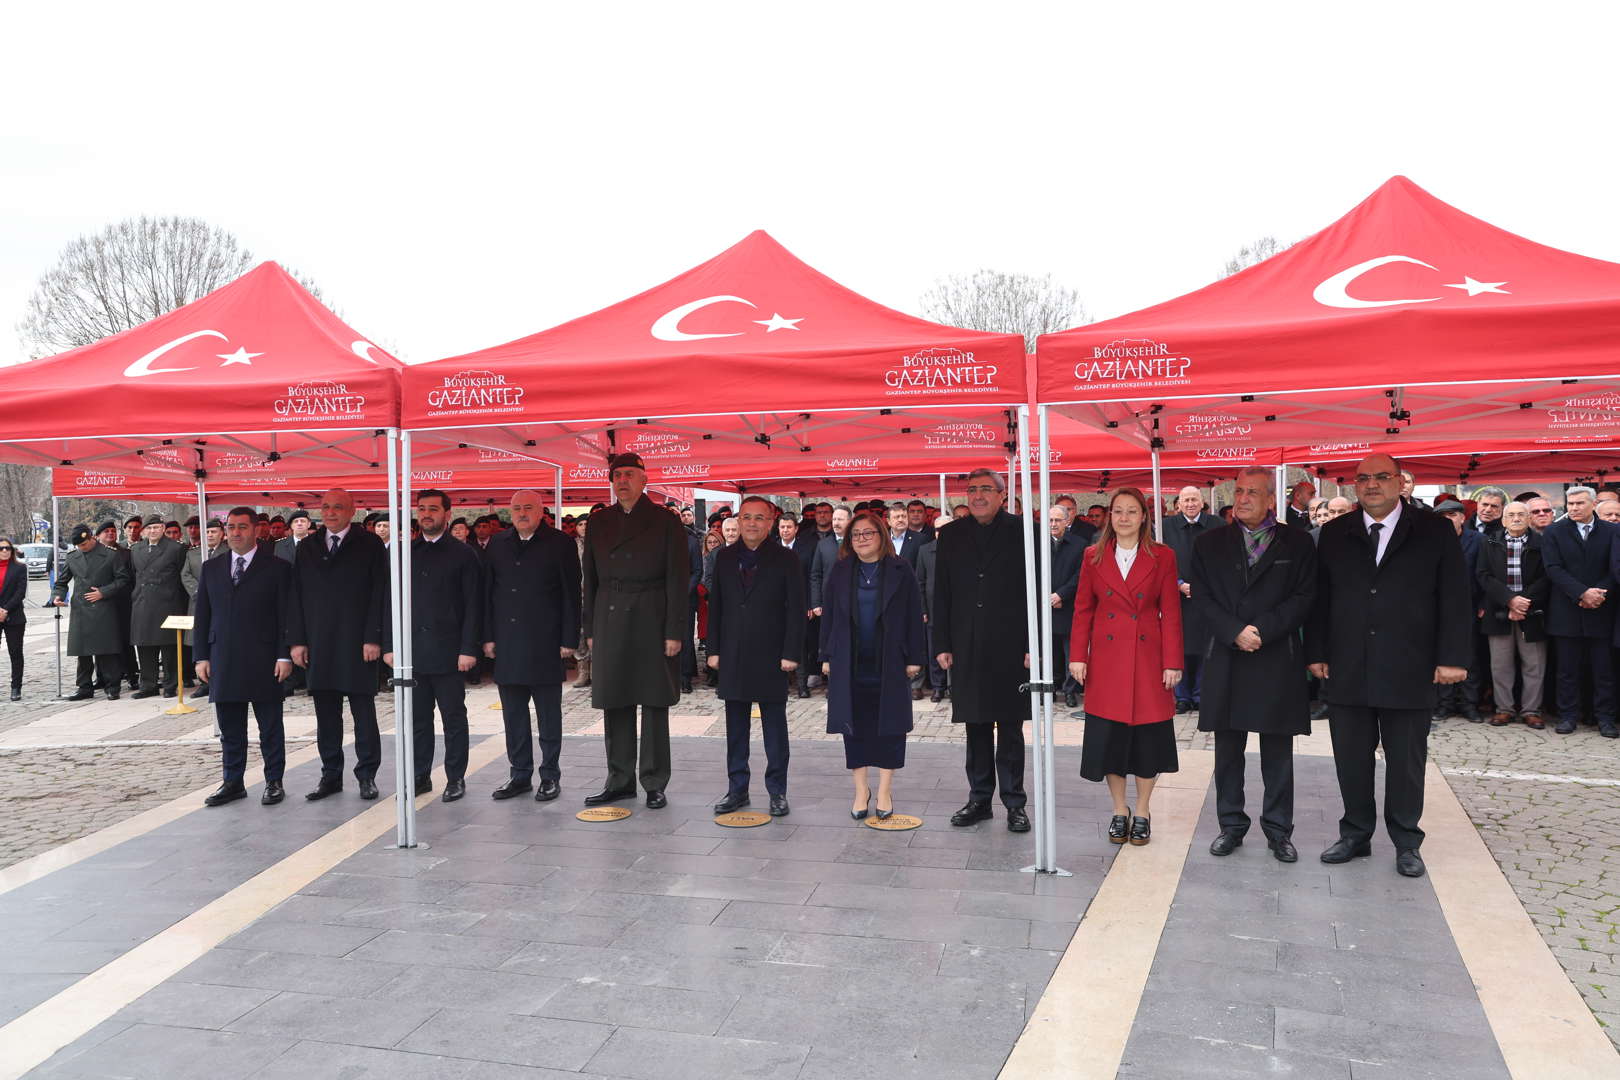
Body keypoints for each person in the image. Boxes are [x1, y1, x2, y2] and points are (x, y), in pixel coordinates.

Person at [1306, 454, 1471, 879]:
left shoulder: (1434, 530)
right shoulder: (1335, 532)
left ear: (1401, 482)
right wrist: (1316, 651)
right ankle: (1355, 834)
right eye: (1363, 478)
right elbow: (1321, 598)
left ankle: (1406, 841)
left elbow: (1455, 596)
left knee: (1406, 761)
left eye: (1382, 477)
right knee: (1350, 758)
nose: (1372, 485)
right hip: (1348, 664)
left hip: (1410, 664)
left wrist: (1452, 658)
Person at [1191, 467, 1317, 863]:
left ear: (1271, 500)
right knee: (1228, 750)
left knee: (1277, 752)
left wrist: (1262, 630)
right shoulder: (1209, 543)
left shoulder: (1298, 542)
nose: (1243, 498)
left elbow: (1305, 596)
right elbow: (1202, 597)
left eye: (1253, 492)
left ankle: (1279, 830)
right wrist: (1234, 632)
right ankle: (1231, 825)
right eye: (1239, 491)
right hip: (1227, 655)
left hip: (1275, 655)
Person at [1069, 488, 1182, 845]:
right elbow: (1083, 608)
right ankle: (1120, 809)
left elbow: (1171, 612)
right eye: (1118, 511)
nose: (1124, 518)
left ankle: (1143, 810)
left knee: (1148, 739)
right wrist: (1078, 655)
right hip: (1107, 659)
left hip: (1148, 658)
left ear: (1144, 516)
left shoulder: (1163, 556)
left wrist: (1173, 661)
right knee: (1111, 739)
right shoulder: (1093, 555)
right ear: (1110, 516)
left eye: (1132, 511)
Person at [581, 453, 688, 809]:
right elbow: (589, 579)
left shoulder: (665, 520)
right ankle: (619, 780)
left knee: (655, 701)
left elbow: (677, 578)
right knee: (615, 699)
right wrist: (590, 628)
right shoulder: (599, 522)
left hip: (652, 616)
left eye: (629, 474)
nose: (622, 481)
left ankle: (654, 781)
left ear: (644, 480)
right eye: (617, 475)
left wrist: (674, 630)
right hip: (610, 616)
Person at [934, 469, 1032, 833]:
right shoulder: (951, 534)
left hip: (1011, 644)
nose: (978, 495)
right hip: (966, 643)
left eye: (986, 489)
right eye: (972, 489)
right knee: (975, 725)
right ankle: (979, 799)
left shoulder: (1024, 531)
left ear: (1002, 495)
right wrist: (942, 643)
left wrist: (1032, 645)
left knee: (1010, 726)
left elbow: (1036, 591)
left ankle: (1014, 802)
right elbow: (941, 592)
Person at [820, 509, 925, 819]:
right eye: (855, 535)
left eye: (868, 533)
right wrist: (826, 656)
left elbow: (914, 615)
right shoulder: (841, 570)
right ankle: (861, 790)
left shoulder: (901, 569)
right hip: (849, 660)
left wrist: (914, 658)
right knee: (854, 726)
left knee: (890, 725)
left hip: (890, 659)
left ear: (881, 535)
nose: (861, 539)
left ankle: (884, 791)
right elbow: (829, 615)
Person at [288, 488, 390, 801]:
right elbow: (296, 595)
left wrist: (373, 637)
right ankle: (330, 775)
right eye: (326, 507)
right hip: (319, 641)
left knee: (364, 714)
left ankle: (367, 775)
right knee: (326, 715)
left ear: (351, 511)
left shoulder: (370, 543)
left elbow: (380, 593)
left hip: (357, 642)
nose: (330, 513)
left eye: (337, 507)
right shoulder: (308, 546)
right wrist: (297, 641)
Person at [707, 496, 805, 816]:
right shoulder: (724, 557)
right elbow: (716, 606)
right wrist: (714, 650)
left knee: (774, 728)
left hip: (771, 654)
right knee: (736, 729)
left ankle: (777, 791)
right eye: (746, 517)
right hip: (733, 653)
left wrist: (791, 652)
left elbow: (796, 609)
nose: (752, 523)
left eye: (759, 518)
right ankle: (737, 789)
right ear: (738, 520)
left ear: (771, 522)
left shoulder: (786, 559)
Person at [382, 489, 482, 801]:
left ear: (447, 514)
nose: (426, 514)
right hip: (412, 652)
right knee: (417, 720)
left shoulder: (464, 554)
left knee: (454, 719)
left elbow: (474, 605)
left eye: (433, 509)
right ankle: (419, 776)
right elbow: (390, 602)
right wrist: (389, 645)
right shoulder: (404, 553)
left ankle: (455, 778)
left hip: (449, 652)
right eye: (422, 508)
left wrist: (468, 648)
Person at [483, 488, 580, 802]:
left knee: (548, 716)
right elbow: (488, 593)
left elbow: (571, 594)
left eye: (528, 508)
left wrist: (569, 639)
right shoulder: (498, 543)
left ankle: (550, 775)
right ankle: (519, 775)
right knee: (513, 716)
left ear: (541, 511)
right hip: (508, 642)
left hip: (546, 642)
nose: (522, 513)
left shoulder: (560, 543)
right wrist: (488, 636)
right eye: (516, 508)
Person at [193, 508, 294, 807]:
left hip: (265, 658)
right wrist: (201, 656)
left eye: (242, 527)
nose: (236, 533)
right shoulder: (212, 568)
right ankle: (232, 781)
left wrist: (284, 655)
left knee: (270, 727)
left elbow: (286, 616)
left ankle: (274, 781)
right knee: (230, 728)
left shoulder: (277, 567)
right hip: (223, 657)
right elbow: (203, 615)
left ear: (256, 530)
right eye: (231, 527)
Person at [1541, 485, 1618, 737]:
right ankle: (1568, 717)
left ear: (1593, 504)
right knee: (1567, 671)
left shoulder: (1612, 531)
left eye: (1579, 503)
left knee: (1604, 671)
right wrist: (1581, 593)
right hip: (1566, 610)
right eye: (1570, 504)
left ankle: (1605, 718)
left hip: (1602, 609)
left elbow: (1615, 568)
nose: (1573, 508)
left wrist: (1598, 593)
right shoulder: (1554, 531)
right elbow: (1553, 568)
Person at [1478, 501, 1549, 728]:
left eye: (1521, 514)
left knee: (1534, 665)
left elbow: (1547, 576)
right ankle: (1504, 709)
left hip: (1532, 611)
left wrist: (1522, 603)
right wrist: (1509, 600)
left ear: (1529, 518)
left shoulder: (1542, 543)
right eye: (1511, 515)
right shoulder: (1489, 542)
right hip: (1498, 611)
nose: (1516, 518)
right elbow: (1483, 575)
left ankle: (1531, 710)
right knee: (1500, 665)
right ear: (1503, 519)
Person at [1163, 486, 1223, 715]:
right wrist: (1178, 583)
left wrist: (1202, 586)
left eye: (1194, 500)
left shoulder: (1217, 525)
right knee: (1179, 646)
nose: (1190, 504)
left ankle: (1200, 694)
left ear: (1202, 502)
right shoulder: (1166, 527)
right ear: (1178, 504)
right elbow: (1161, 560)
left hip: (1207, 597)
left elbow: (1223, 559)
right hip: (1176, 597)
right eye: (1186, 500)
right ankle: (1182, 696)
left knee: (1205, 647)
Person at [53, 524, 131, 700]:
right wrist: (58, 596)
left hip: (103, 608)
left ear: (91, 538)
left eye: (84, 544)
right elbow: (61, 582)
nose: (81, 548)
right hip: (81, 609)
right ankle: (84, 687)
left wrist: (103, 592)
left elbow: (123, 579)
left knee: (107, 650)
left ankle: (113, 686)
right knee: (83, 651)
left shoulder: (110, 555)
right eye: (78, 546)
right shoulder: (73, 557)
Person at [1433, 498, 1485, 723]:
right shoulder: (1429, 541)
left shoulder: (1478, 540)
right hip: (1438, 608)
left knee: (1470, 656)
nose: (1447, 520)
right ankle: (1444, 704)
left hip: (1469, 607)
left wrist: (1483, 604)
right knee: (1442, 655)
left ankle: (1469, 705)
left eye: (1452, 515)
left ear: (1463, 518)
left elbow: (1485, 573)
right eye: (1442, 517)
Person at [129, 514, 189, 699]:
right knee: (145, 645)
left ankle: (171, 685)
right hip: (142, 602)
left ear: (163, 529)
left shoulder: (176, 548)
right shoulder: (136, 549)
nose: (153, 531)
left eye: (156, 527)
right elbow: (134, 575)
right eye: (149, 528)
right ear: (144, 531)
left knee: (169, 647)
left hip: (168, 603)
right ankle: (148, 685)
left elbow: (182, 576)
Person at [181, 518, 226, 699]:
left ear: (222, 534)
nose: (210, 535)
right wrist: (199, 592)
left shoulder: (229, 552)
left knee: (219, 641)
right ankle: (204, 682)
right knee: (199, 640)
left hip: (221, 604)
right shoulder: (193, 554)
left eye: (213, 532)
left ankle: (219, 679)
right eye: (207, 532)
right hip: (198, 603)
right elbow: (185, 575)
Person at [1048, 506, 1085, 709]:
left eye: (1057, 520)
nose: (1053, 524)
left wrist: (1061, 595)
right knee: (1050, 652)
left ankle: (1070, 690)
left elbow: (1080, 575)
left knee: (1071, 652)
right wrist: (1047, 597)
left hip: (1069, 606)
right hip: (1046, 607)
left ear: (1067, 521)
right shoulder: (1038, 543)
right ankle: (1051, 688)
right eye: (1050, 520)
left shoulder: (1079, 545)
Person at [0, 537, 27, 700]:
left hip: (14, 615)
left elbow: (20, 592)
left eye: (7, 548)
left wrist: (5, 609)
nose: (4, 551)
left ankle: (16, 687)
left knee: (15, 653)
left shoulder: (20, 568)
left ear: (12, 550)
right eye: (1, 548)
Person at [889, 503, 922, 567]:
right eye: (897, 517)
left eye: (904, 516)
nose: (900, 520)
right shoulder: (881, 539)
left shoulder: (920, 539)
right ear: (888, 521)